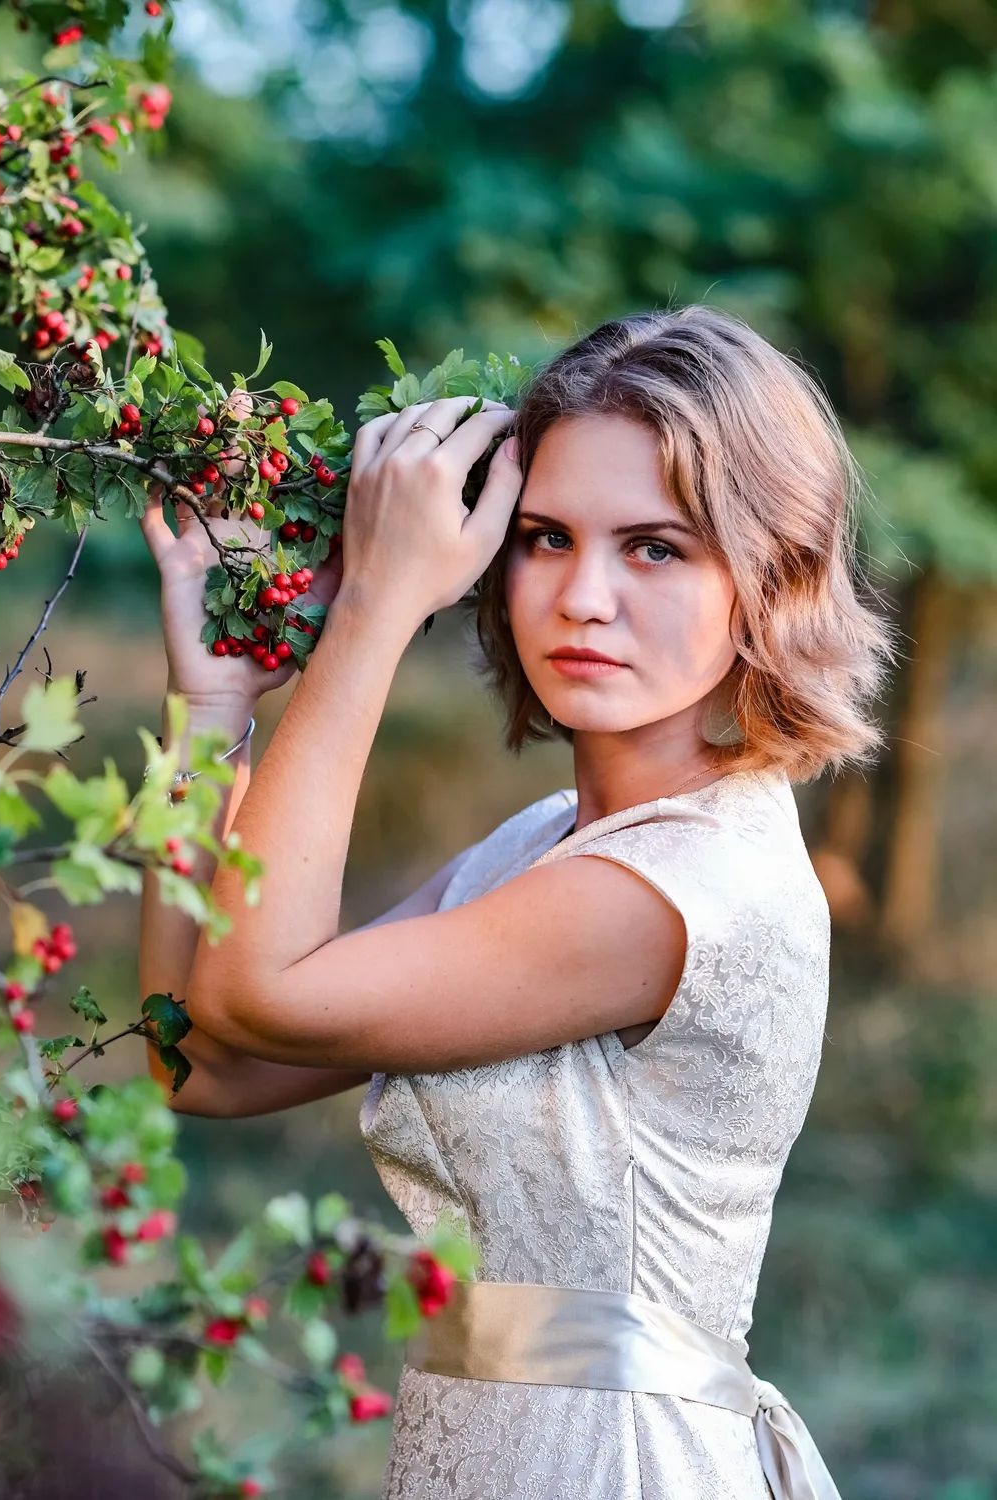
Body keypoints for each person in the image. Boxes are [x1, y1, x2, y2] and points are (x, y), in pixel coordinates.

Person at [137, 305, 899, 1498]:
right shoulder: (543, 847)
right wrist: (213, 711)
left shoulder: (683, 892)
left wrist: (372, 612)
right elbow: (203, 1059)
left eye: (656, 547)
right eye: (545, 537)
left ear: (772, 573)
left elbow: (256, 991)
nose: (584, 596)